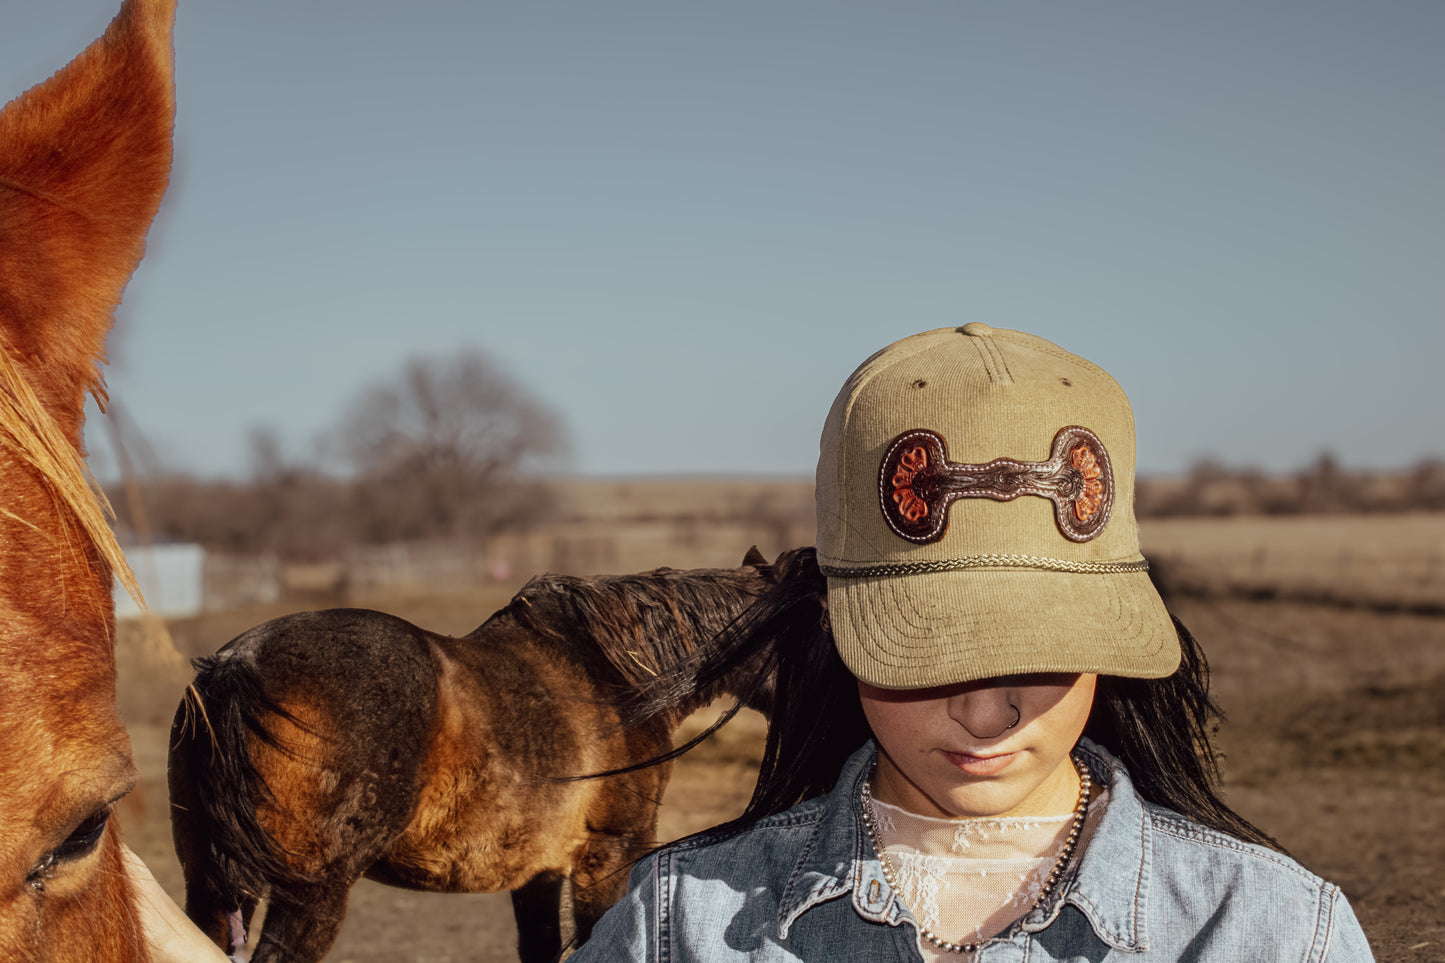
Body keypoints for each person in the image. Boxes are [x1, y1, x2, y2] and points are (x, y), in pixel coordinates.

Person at [571, 324, 1373, 960]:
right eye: (926, 650)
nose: (987, 714)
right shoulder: (675, 928)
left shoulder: (1274, 934)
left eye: (1044, 648)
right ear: (832, 623)